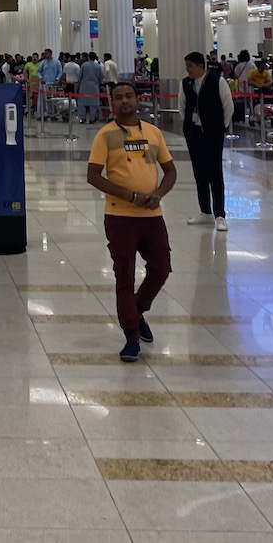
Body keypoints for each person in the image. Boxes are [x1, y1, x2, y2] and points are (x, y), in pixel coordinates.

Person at [87, 81, 177, 363]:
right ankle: (131, 336)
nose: (124, 101)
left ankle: (137, 310)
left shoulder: (152, 133)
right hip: (120, 217)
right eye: (118, 98)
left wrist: (158, 194)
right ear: (111, 102)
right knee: (124, 277)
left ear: (138, 100)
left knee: (161, 269)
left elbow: (170, 171)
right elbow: (94, 175)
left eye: (129, 96)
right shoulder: (106, 135)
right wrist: (130, 195)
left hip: (152, 216)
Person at [182, 52, 233, 231]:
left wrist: (220, 127)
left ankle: (220, 214)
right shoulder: (186, 83)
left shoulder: (217, 81)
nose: (187, 69)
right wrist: (190, 126)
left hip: (212, 133)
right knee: (199, 172)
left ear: (200, 65)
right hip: (193, 133)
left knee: (215, 173)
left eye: (190, 65)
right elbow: (182, 107)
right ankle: (205, 211)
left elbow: (228, 106)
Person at [78, 53, 105, 124]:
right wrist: (98, 83)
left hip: (84, 86)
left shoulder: (84, 65)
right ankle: (92, 118)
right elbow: (102, 76)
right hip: (94, 87)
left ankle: (82, 118)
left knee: (82, 102)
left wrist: (79, 84)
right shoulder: (98, 66)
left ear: (89, 57)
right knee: (93, 103)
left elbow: (80, 76)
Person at [36, 49, 63, 119]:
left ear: (50, 54)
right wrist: (40, 78)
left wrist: (57, 79)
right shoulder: (43, 62)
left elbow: (60, 72)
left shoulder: (57, 62)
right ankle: (40, 114)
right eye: (44, 53)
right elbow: (38, 72)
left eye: (46, 53)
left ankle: (53, 115)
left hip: (53, 84)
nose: (45, 55)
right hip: (44, 84)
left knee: (53, 100)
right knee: (41, 99)